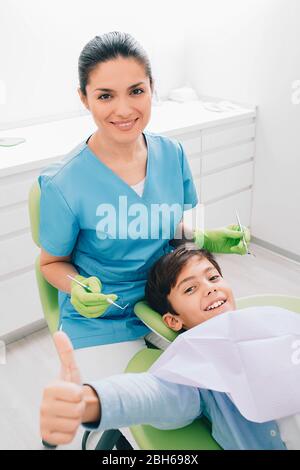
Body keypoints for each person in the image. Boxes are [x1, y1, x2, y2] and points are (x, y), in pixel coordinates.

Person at [38, 31, 250, 350]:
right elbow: (50, 263)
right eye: (105, 96)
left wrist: (205, 238)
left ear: (152, 87)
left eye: (136, 91)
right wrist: (78, 286)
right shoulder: (64, 183)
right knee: (120, 399)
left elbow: (163, 228)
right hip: (103, 319)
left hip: (167, 304)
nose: (123, 110)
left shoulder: (172, 154)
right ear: (84, 97)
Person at [40, 244, 299, 450]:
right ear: (174, 320)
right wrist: (90, 401)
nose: (210, 289)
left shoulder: (269, 316)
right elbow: (156, 395)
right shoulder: (197, 364)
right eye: (190, 289)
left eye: (213, 277)